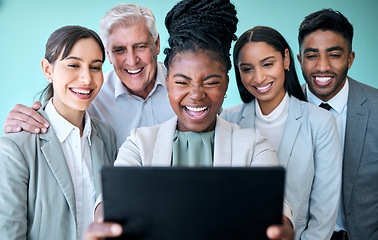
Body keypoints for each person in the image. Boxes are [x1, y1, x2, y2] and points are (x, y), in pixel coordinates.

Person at [84, 1, 294, 239]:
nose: (196, 95)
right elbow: (111, 199)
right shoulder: (138, 143)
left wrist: (282, 226)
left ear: (226, 84)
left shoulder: (254, 145)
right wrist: (105, 219)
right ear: (169, 83)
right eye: (182, 82)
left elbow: (277, 210)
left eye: (211, 82)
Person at [220, 26, 342, 239]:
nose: (258, 78)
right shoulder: (228, 120)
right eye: (247, 69)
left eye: (267, 64)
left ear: (286, 59)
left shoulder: (320, 122)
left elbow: (324, 212)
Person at [3, 3, 174, 150]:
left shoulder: (185, 87)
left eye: (141, 46)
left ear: (157, 44)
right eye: (119, 50)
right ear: (108, 53)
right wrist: (21, 122)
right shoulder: (89, 97)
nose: (132, 60)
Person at [0, 26, 116, 240]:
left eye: (95, 67)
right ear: (47, 70)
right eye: (73, 65)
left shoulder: (107, 136)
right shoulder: (15, 147)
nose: (86, 79)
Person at [297, 9, 378, 240]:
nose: (322, 67)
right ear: (299, 60)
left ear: (350, 59)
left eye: (334, 55)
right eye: (312, 55)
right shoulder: (283, 110)